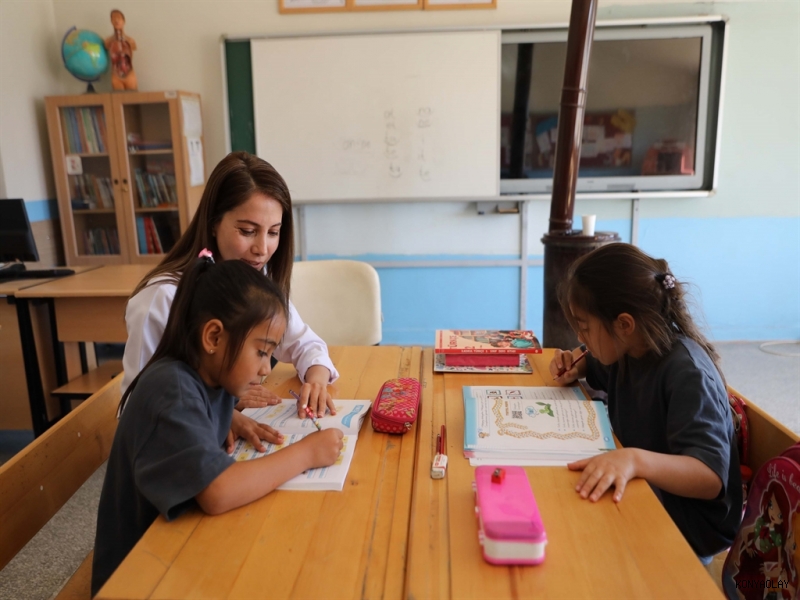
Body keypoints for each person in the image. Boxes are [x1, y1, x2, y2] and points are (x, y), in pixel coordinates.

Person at [91, 258, 344, 596]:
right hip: (137, 578)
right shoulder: (172, 389)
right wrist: (307, 454)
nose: (266, 369)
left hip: (176, 547)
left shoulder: (211, 378)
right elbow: (218, 491)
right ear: (213, 337)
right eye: (261, 352)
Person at [122, 152, 338, 452]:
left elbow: (305, 343)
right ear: (213, 223)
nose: (262, 249)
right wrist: (226, 413)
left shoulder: (254, 281)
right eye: (247, 231)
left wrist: (316, 379)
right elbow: (138, 406)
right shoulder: (162, 298)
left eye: (273, 233)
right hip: (172, 451)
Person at [549, 242, 742, 562]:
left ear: (624, 324)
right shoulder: (631, 346)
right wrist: (574, 365)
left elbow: (709, 476)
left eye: (584, 327)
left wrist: (635, 460)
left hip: (689, 524)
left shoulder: (687, 373)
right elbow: (593, 364)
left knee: (574, 541)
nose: (580, 339)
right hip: (650, 490)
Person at [104, 9, 137, 91]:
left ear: (124, 21)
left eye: (119, 18)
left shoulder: (130, 41)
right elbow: (106, 46)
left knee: (133, 96)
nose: (116, 20)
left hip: (129, 73)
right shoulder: (108, 41)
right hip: (116, 75)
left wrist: (125, 39)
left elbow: (134, 47)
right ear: (111, 22)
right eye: (114, 18)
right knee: (118, 97)